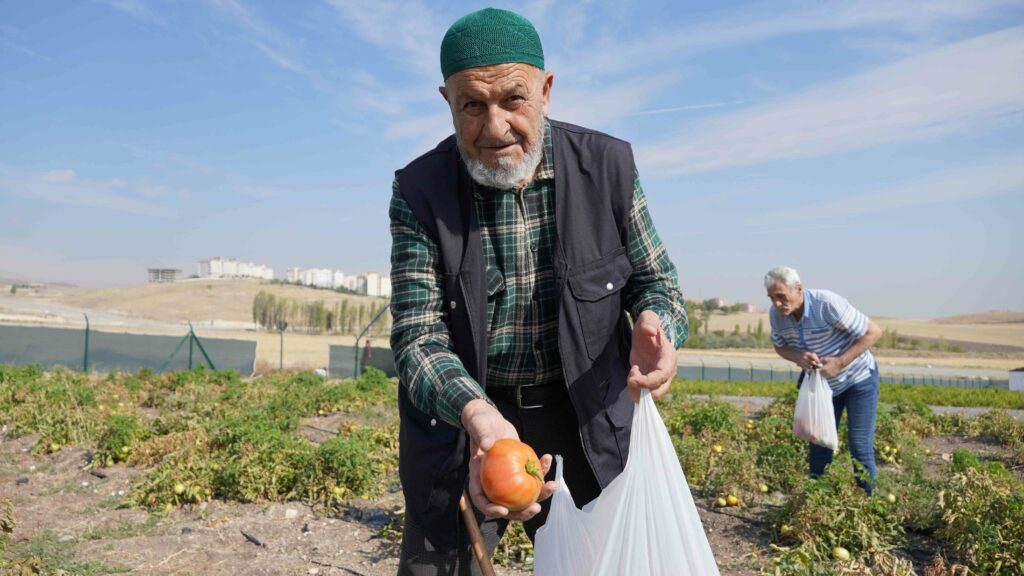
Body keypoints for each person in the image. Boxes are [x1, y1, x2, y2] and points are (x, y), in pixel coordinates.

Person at [389, 7, 688, 574]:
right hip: (470, 418)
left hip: (584, 415)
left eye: (513, 99)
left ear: (546, 91)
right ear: (446, 101)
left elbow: (659, 282)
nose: (494, 126)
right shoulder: (419, 191)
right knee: (443, 566)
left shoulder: (608, 168)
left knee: (608, 562)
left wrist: (659, 324)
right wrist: (478, 415)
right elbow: (417, 337)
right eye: (471, 105)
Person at [765, 266, 882, 493]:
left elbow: (874, 332)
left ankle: (871, 504)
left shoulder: (827, 304)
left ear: (798, 289)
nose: (777, 304)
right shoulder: (777, 316)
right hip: (823, 386)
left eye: (781, 296)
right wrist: (799, 357)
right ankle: (816, 501)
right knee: (819, 444)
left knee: (859, 445)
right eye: (772, 298)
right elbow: (780, 346)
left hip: (858, 380)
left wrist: (840, 362)